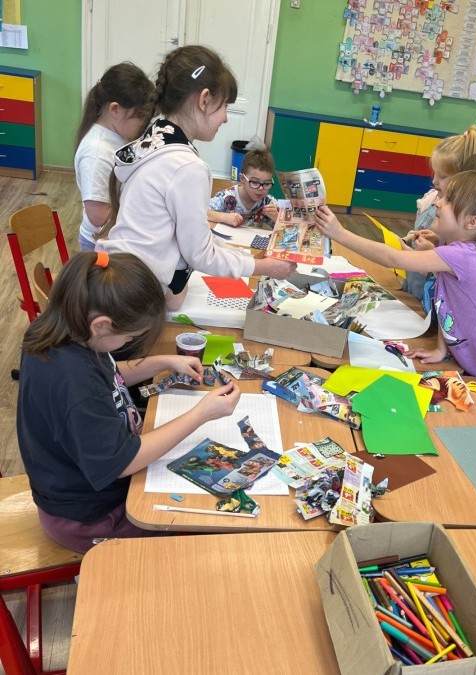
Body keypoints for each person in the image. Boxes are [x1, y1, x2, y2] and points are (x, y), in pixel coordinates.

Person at [16, 251, 242, 553]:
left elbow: (106, 376)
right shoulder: (74, 383)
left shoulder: (64, 334)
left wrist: (161, 362)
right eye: (129, 337)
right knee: (204, 532)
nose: (129, 343)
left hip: (87, 493)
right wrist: (201, 414)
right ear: (101, 325)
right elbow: (122, 462)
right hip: (92, 519)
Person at [315, 170, 476, 412]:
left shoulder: (463, 256)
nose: (438, 202)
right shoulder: (454, 250)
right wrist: (441, 348)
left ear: (472, 223)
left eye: (448, 200)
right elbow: (448, 306)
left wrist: (340, 234)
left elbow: (392, 258)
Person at [97, 45, 295, 310]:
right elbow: (200, 255)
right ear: (204, 100)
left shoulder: (155, 139)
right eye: (224, 106)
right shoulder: (187, 166)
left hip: (121, 281)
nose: (225, 118)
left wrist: (240, 256)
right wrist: (263, 267)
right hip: (136, 297)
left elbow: (193, 240)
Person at [74, 63, 155, 251]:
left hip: (114, 239)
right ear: (115, 110)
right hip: (100, 245)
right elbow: (98, 217)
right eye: (140, 117)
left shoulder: (116, 137)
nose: (144, 125)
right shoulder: (97, 153)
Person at [401, 125, 476, 305]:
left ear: (464, 178)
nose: (434, 180)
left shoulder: (462, 219)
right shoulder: (432, 198)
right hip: (414, 284)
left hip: (434, 298)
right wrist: (413, 239)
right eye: (434, 173)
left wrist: (423, 252)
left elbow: (448, 267)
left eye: (443, 176)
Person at [208, 146, 279, 228]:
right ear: (242, 178)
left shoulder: (269, 202)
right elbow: (201, 212)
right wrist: (224, 217)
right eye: (254, 182)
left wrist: (276, 218)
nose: (261, 188)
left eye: (266, 183)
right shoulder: (226, 197)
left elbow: (287, 229)